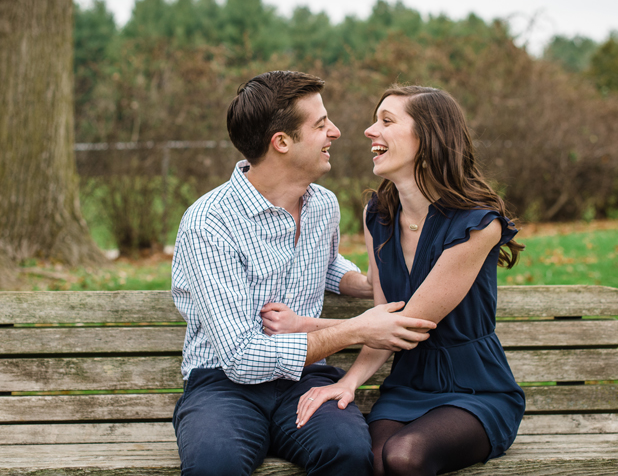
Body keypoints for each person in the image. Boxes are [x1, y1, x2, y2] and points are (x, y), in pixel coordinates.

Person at [171, 71, 437, 476]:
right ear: (282, 142)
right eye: (320, 125)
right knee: (215, 465)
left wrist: (370, 285)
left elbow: (326, 265)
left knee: (348, 452)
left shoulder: (322, 205)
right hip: (224, 385)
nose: (336, 131)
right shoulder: (209, 223)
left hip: (305, 380)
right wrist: (355, 330)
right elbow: (241, 358)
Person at [292, 85, 526, 476]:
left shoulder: (476, 224)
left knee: (405, 457)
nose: (369, 131)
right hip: (407, 385)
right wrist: (350, 383)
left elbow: (410, 323)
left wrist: (308, 327)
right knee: (377, 461)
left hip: (474, 388)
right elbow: (384, 317)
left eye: (386, 121)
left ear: (429, 137)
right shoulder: (378, 215)